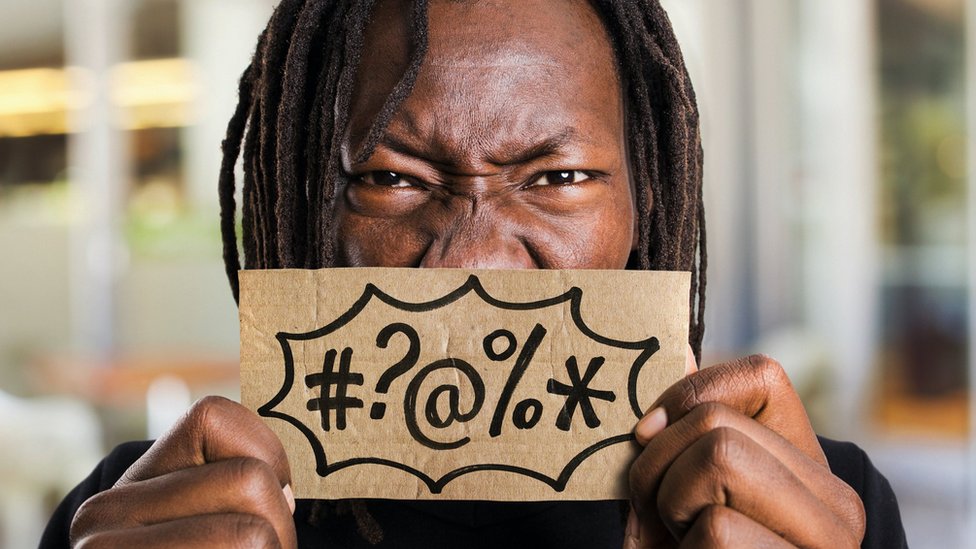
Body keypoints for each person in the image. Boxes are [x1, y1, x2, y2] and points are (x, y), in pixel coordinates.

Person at [42, 0, 908, 547]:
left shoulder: (818, 507)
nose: (473, 259)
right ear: (310, 212)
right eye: (391, 178)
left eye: (558, 178)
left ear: (647, 201)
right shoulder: (143, 510)